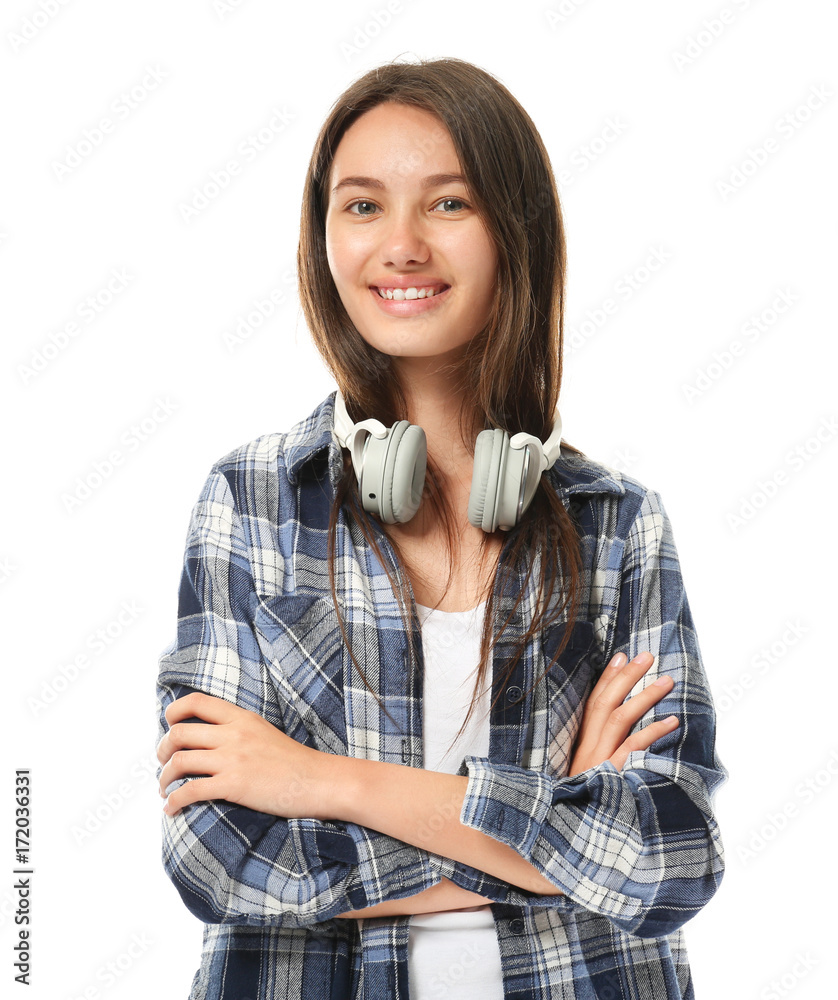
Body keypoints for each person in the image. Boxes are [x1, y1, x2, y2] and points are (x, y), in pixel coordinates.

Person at [155, 56, 726, 1000]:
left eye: (450, 204)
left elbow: (669, 855)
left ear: (516, 230)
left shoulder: (620, 524)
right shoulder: (251, 500)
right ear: (324, 234)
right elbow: (219, 862)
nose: (403, 245)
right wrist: (554, 831)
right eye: (364, 205)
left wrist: (319, 780)